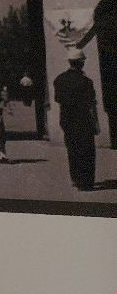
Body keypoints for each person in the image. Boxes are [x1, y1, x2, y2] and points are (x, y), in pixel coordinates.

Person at [55, 47, 100, 190]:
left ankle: (75, 179)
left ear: (69, 62)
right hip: (84, 120)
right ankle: (86, 181)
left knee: (72, 149)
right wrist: (96, 124)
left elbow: (59, 100)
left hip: (67, 120)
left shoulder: (59, 80)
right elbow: (91, 105)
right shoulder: (86, 82)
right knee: (87, 151)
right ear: (81, 63)